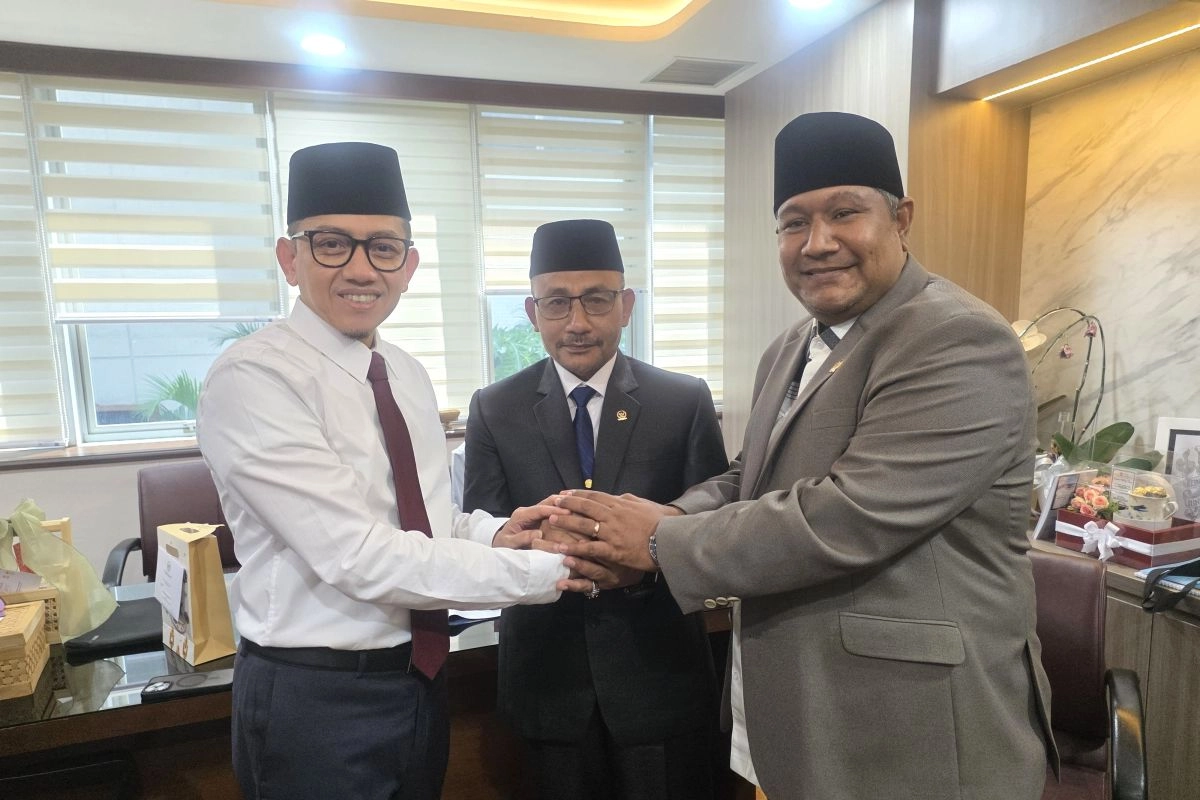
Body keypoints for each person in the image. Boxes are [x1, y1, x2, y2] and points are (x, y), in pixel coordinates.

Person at [549, 112, 1057, 799]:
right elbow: (749, 478)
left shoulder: (955, 338)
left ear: (901, 219)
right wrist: (665, 515)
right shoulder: (792, 346)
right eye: (793, 222)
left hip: (913, 731)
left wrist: (661, 542)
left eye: (844, 213)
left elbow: (851, 513)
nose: (817, 243)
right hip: (804, 714)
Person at [196, 142, 606, 800]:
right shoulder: (254, 377)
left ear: (409, 266)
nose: (361, 268)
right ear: (290, 258)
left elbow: (422, 517)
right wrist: (550, 570)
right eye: (333, 244)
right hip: (317, 697)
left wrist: (499, 533)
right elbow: (358, 555)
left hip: (418, 682)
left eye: (383, 248)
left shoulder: (405, 374)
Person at [463, 218, 729, 800]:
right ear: (532, 312)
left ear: (626, 306)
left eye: (597, 300)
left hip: (660, 676)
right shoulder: (494, 408)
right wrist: (537, 550)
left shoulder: (682, 399)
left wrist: (649, 557)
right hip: (547, 680)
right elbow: (482, 531)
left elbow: (714, 529)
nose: (577, 322)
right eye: (557, 303)